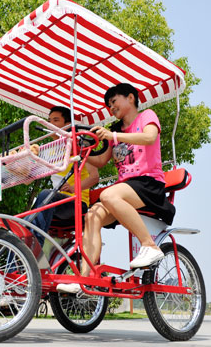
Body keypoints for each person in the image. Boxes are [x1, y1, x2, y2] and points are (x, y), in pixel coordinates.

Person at [57, 83, 175, 293]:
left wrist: (113, 137)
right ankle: (84, 279)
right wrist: (80, 149)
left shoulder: (146, 116)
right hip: (125, 189)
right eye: (109, 105)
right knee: (92, 215)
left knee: (107, 194)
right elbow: (101, 161)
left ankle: (149, 245)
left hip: (148, 184)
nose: (111, 107)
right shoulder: (115, 131)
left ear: (131, 98)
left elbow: (149, 138)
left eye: (114, 101)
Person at [26, 106, 99, 246]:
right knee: (26, 219)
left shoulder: (79, 145)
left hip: (76, 202)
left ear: (67, 125)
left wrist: (72, 188)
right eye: (49, 121)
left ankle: (34, 248)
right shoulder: (51, 150)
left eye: (56, 120)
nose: (51, 124)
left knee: (46, 194)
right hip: (56, 202)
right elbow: (29, 180)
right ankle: (17, 260)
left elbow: (94, 177)